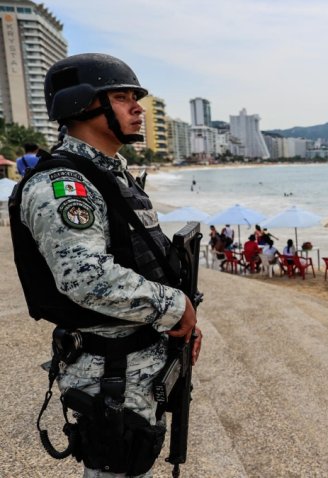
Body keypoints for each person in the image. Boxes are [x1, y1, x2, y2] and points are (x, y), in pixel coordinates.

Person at [9, 53, 202, 477]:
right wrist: (176, 307)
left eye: (136, 97)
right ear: (81, 105)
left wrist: (180, 320)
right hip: (110, 372)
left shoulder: (110, 174)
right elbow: (87, 278)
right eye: (121, 97)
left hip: (136, 364)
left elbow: (140, 260)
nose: (137, 107)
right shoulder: (64, 185)